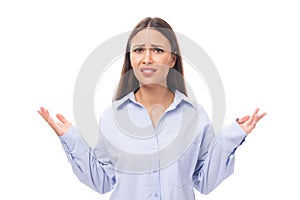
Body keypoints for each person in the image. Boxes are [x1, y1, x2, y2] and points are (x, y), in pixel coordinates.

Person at [38, 17, 266, 200]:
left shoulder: (195, 116)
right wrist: (70, 137)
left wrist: (230, 137)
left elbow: (204, 182)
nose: (146, 58)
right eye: (138, 50)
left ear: (172, 59)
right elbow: (102, 182)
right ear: (130, 58)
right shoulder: (113, 117)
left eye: (157, 50)